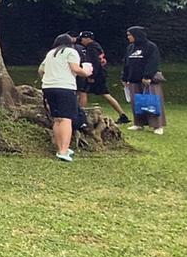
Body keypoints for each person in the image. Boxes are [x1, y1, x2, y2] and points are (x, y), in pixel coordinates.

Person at [39, 32, 91, 162]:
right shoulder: (71, 52)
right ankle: (64, 150)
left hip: (48, 87)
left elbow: (41, 70)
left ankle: (59, 148)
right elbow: (76, 69)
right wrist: (86, 72)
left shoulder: (50, 53)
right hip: (65, 87)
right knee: (67, 119)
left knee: (57, 119)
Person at [76, 29, 129, 124]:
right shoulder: (97, 46)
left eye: (82, 38)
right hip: (101, 73)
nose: (81, 41)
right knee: (101, 94)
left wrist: (92, 76)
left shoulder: (91, 48)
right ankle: (122, 114)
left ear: (88, 38)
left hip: (97, 75)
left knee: (84, 92)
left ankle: (80, 114)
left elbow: (95, 63)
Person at [122, 25, 166, 134]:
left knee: (152, 102)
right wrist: (124, 77)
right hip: (134, 79)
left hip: (148, 80)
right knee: (137, 102)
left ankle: (157, 125)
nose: (128, 37)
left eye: (130, 35)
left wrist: (147, 76)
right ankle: (138, 123)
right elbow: (126, 63)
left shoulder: (151, 47)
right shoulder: (130, 48)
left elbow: (153, 62)